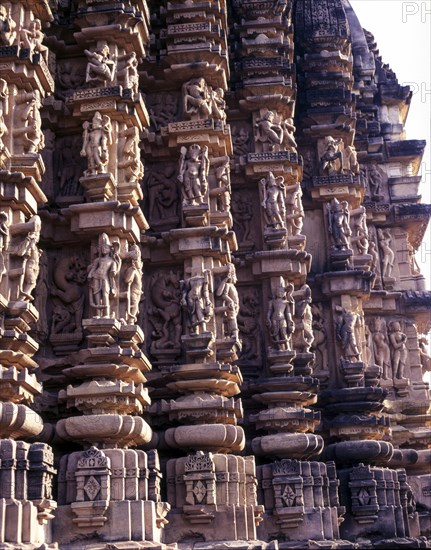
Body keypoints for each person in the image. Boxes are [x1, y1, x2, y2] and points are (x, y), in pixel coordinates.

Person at [87, 233, 120, 318]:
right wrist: (90, 275)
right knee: (96, 295)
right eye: (102, 248)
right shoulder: (98, 260)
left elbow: (114, 270)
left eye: (106, 247)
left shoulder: (112, 260)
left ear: (110, 249)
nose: (103, 249)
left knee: (105, 295)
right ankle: (98, 314)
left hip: (105, 279)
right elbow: (94, 268)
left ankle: (106, 314)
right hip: (95, 277)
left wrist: (113, 272)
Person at [81, 111, 112, 176]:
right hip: (89, 146)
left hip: (96, 146)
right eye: (93, 123)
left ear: (100, 123)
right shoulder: (90, 133)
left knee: (96, 156)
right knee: (90, 158)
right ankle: (93, 171)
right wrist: (83, 149)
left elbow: (105, 140)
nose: (94, 124)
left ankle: (101, 168)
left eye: (96, 123)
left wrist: (104, 149)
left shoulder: (101, 131)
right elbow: (86, 140)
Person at [267, 280, 295, 351]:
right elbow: (270, 311)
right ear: (275, 293)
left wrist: (290, 320)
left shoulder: (286, 302)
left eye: (282, 292)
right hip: (274, 318)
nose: (280, 293)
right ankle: (279, 348)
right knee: (276, 333)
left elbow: (288, 313)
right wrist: (268, 318)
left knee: (283, 332)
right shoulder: (272, 302)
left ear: (284, 294)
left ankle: (287, 347)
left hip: (283, 318)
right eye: (278, 292)